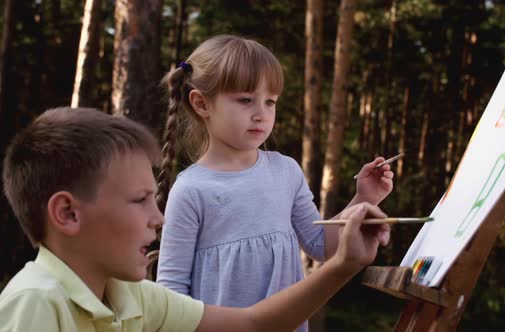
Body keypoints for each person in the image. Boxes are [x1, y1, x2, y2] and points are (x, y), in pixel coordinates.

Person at [0, 107, 390, 332]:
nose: (160, 220)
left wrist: (343, 265)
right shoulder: (35, 303)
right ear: (68, 214)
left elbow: (255, 324)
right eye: (140, 201)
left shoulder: (134, 296)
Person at [156, 34, 394, 331]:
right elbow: (169, 295)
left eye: (270, 102)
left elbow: (322, 246)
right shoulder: (191, 189)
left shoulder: (286, 172)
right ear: (202, 103)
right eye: (245, 100)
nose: (261, 114)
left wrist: (364, 199)